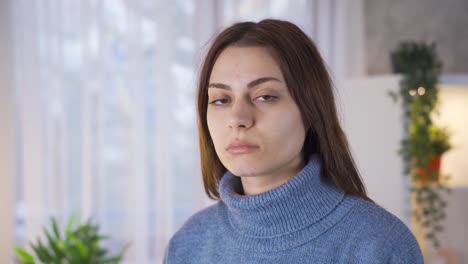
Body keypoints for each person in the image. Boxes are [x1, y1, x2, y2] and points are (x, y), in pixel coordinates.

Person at [164, 19, 423, 263]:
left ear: (311, 109)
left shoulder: (379, 245)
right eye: (221, 100)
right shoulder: (188, 245)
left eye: (265, 96)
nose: (238, 118)